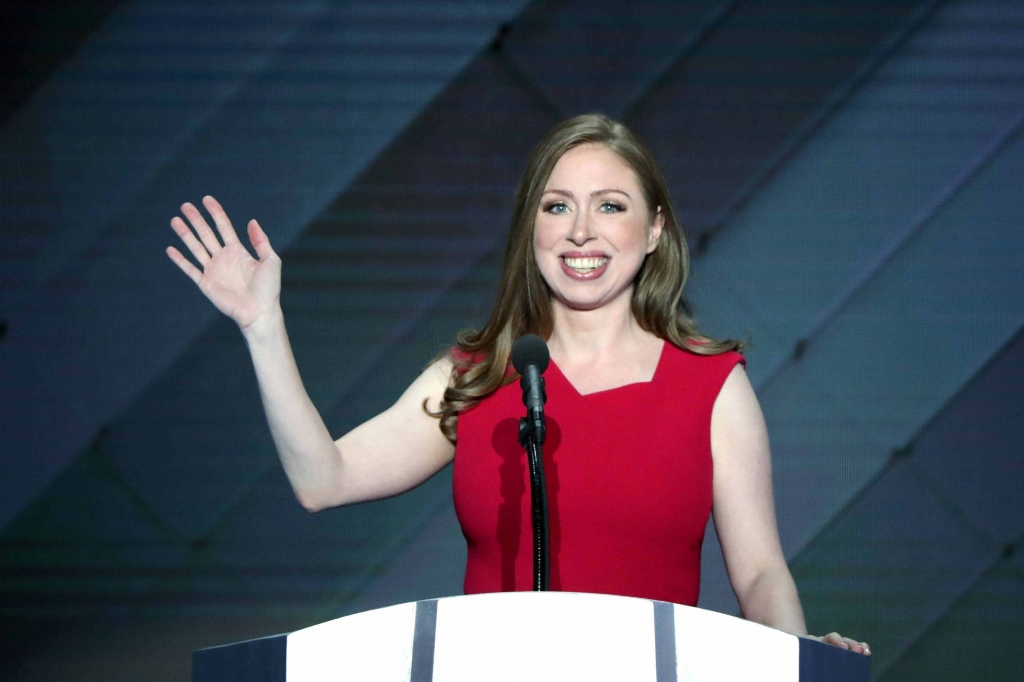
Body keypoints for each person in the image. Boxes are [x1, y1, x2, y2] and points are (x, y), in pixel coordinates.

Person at [166, 113, 870, 655]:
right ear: (530, 226)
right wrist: (264, 326)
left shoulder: (711, 387)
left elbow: (760, 576)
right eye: (557, 206)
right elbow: (325, 479)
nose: (581, 232)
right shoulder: (477, 376)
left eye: (612, 206)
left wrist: (798, 662)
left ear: (655, 229)